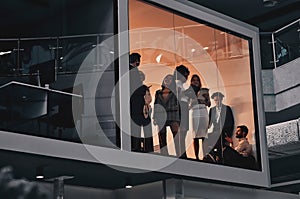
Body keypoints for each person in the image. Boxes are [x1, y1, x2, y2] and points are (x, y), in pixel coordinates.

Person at [129, 53, 153, 152]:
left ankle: (138, 147)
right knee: (139, 128)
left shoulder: (129, 72)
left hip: (139, 108)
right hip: (138, 108)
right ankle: (142, 147)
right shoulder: (132, 71)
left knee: (137, 128)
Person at [153, 74, 180, 156]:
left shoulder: (176, 91)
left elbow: (179, 105)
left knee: (176, 136)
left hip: (173, 114)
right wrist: (154, 117)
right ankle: (164, 154)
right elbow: (156, 104)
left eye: (170, 79)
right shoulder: (158, 92)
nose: (168, 80)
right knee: (162, 137)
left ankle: (179, 154)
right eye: (166, 78)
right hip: (161, 116)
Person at [185, 74, 211, 160]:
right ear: (191, 82)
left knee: (204, 135)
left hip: (203, 111)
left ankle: (204, 156)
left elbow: (209, 104)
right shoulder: (188, 92)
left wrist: (206, 99)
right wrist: (193, 101)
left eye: (197, 80)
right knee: (195, 135)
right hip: (194, 111)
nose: (195, 81)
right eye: (194, 80)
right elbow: (187, 106)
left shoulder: (203, 90)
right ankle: (196, 157)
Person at [207, 92, 234, 163]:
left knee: (218, 141)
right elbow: (209, 123)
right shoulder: (212, 110)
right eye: (215, 100)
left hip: (223, 132)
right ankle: (212, 155)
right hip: (215, 131)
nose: (217, 102)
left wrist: (228, 135)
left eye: (219, 100)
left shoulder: (227, 108)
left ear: (222, 99)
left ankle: (218, 157)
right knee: (207, 138)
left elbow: (231, 122)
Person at [174, 65, 190, 159]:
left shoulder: (180, 84)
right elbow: (178, 95)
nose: (186, 78)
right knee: (181, 132)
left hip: (184, 107)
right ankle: (181, 153)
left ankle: (182, 152)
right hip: (181, 107)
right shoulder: (177, 83)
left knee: (183, 132)